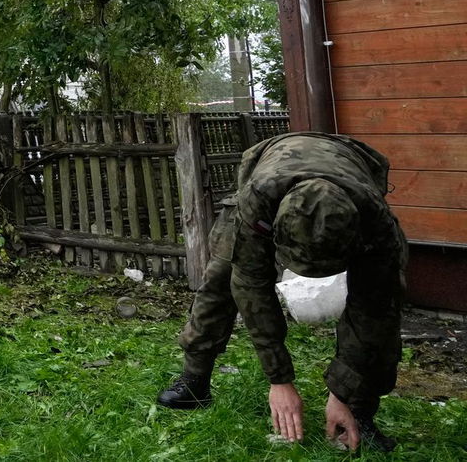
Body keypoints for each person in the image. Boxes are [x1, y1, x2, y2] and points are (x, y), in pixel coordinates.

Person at [155, 131, 406, 453]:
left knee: (382, 310)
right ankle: (194, 380)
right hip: (269, 175)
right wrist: (279, 379)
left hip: (352, 175)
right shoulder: (258, 200)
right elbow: (251, 288)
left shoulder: (377, 223)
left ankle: (359, 412)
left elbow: (373, 314)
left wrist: (343, 394)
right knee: (220, 278)